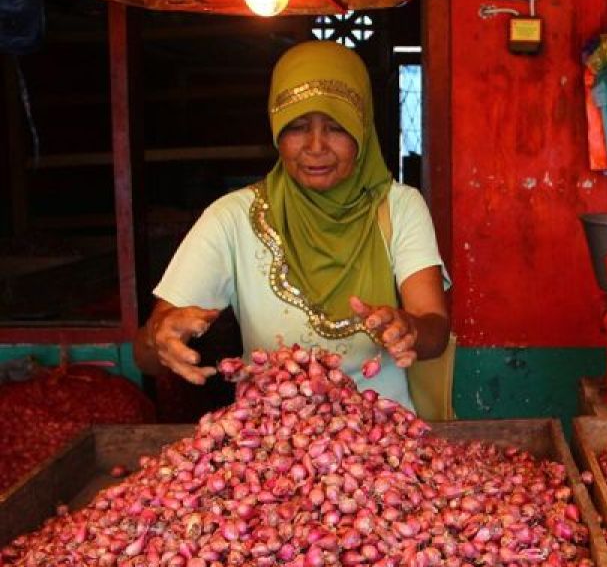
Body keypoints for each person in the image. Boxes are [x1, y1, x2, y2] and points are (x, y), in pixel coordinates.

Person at [134, 41, 450, 410]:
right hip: (271, 448)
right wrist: (162, 337)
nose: (315, 146)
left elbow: (435, 331)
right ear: (275, 129)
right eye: (297, 127)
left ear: (363, 128)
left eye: (336, 127)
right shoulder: (233, 218)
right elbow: (145, 357)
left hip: (384, 443)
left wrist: (408, 328)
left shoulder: (399, 207)